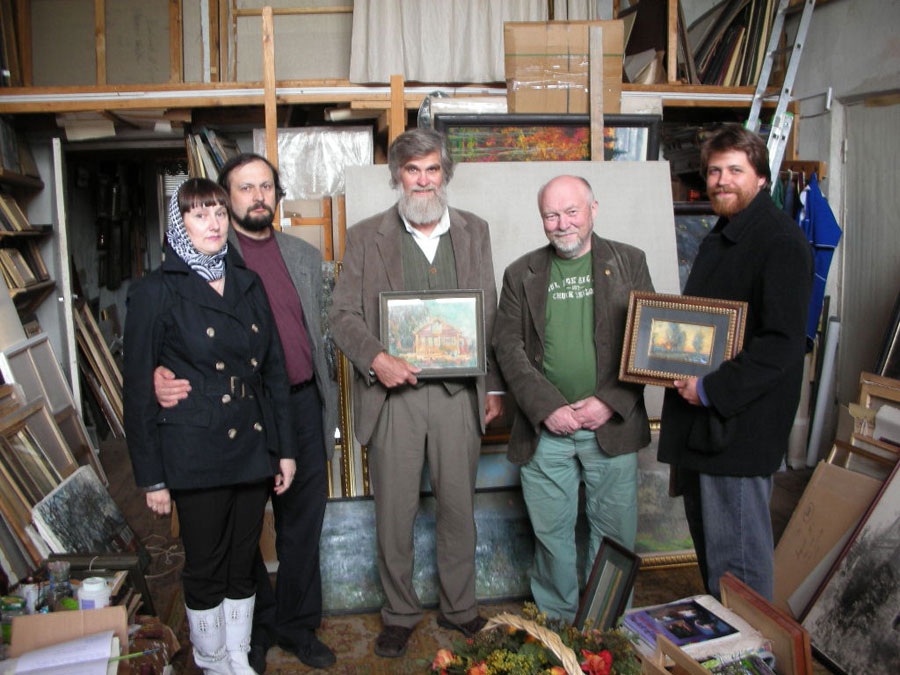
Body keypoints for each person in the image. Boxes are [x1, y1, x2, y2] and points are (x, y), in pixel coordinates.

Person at [153, 155, 337, 671]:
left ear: (276, 195)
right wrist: (154, 375)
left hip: (301, 402)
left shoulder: (302, 253)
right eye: (244, 187)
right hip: (239, 412)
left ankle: (298, 625)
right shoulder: (205, 250)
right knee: (240, 531)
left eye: (266, 186)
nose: (257, 196)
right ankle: (251, 631)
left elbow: (318, 329)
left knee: (303, 523)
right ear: (225, 197)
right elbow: (162, 324)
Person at [329, 129, 503, 658]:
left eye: (431, 170)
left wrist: (492, 382)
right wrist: (376, 359)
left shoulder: (475, 231)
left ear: (444, 175)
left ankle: (460, 608)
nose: (422, 181)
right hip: (394, 399)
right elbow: (340, 317)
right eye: (412, 171)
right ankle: (400, 613)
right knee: (395, 512)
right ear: (397, 176)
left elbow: (489, 312)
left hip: (457, 397)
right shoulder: (365, 237)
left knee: (457, 508)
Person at [124, 178, 296, 674]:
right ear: (180, 225)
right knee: (205, 564)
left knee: (244, 560)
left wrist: (283, 450)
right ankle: (211, 658)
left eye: (219, 212)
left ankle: (237, 655)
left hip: (251, 444)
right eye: (199, 215)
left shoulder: (247, 281)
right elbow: (138, 389)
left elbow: (275, 371)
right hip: (194, 449)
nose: (214, 223)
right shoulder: (156, 290)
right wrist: (151, 477)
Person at [658, 124, 813, 601]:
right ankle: (724, 652)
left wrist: (708, 389)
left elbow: (782, 345)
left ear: (761, 177)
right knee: (716, 562)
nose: (722, 180)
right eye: (713, 171)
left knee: (739, 569)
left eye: (735, 170)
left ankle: (751, 664)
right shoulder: (723, 233)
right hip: (705, 432)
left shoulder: (779, 241)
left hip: (737, 432)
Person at [492, 175, 653, 622]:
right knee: (551, 536)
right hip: (547, 432)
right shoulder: (520, 273)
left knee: (614, 537)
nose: (562, 224)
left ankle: (609, 628)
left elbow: (647, 340)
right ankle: (558, 627)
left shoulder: (628, 262)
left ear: (593, 210)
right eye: (551, 215)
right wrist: (548, 409)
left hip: (612, 425)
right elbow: (508, 348)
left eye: (571, 212)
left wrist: (609, 401)